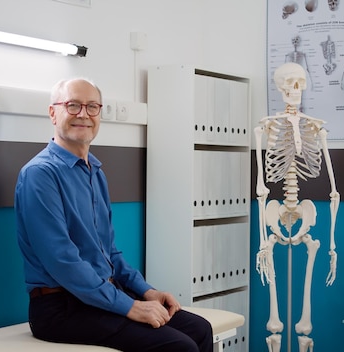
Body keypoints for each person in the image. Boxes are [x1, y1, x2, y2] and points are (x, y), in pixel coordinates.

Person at [14, 77, 213, 352]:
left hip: (99, 296)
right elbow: (63, 262)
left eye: (92, 107)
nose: (83, 114)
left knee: (200, 329)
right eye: (72, 106)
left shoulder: (96, 172)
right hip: (60, 308)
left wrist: (146, 291)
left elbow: (110, 253)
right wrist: (130, 306)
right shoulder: (40, 175)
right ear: (53, 112)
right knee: (177, 346)